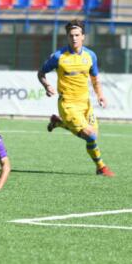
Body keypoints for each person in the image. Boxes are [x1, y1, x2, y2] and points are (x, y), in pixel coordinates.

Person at [37, 19, 114, 177]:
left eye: (77, 35)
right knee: (90, 135)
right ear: (67, 36)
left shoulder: (90, 56)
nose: (74, 38)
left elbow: (95, 78)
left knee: (92, 137)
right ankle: (101, 167)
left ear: (83, 36)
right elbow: (41, 73)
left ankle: (58, 122)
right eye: (71, 35)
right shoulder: (58, 56)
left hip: (86, 104)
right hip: (68, 104)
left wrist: (100, 95)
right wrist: (47, 86)